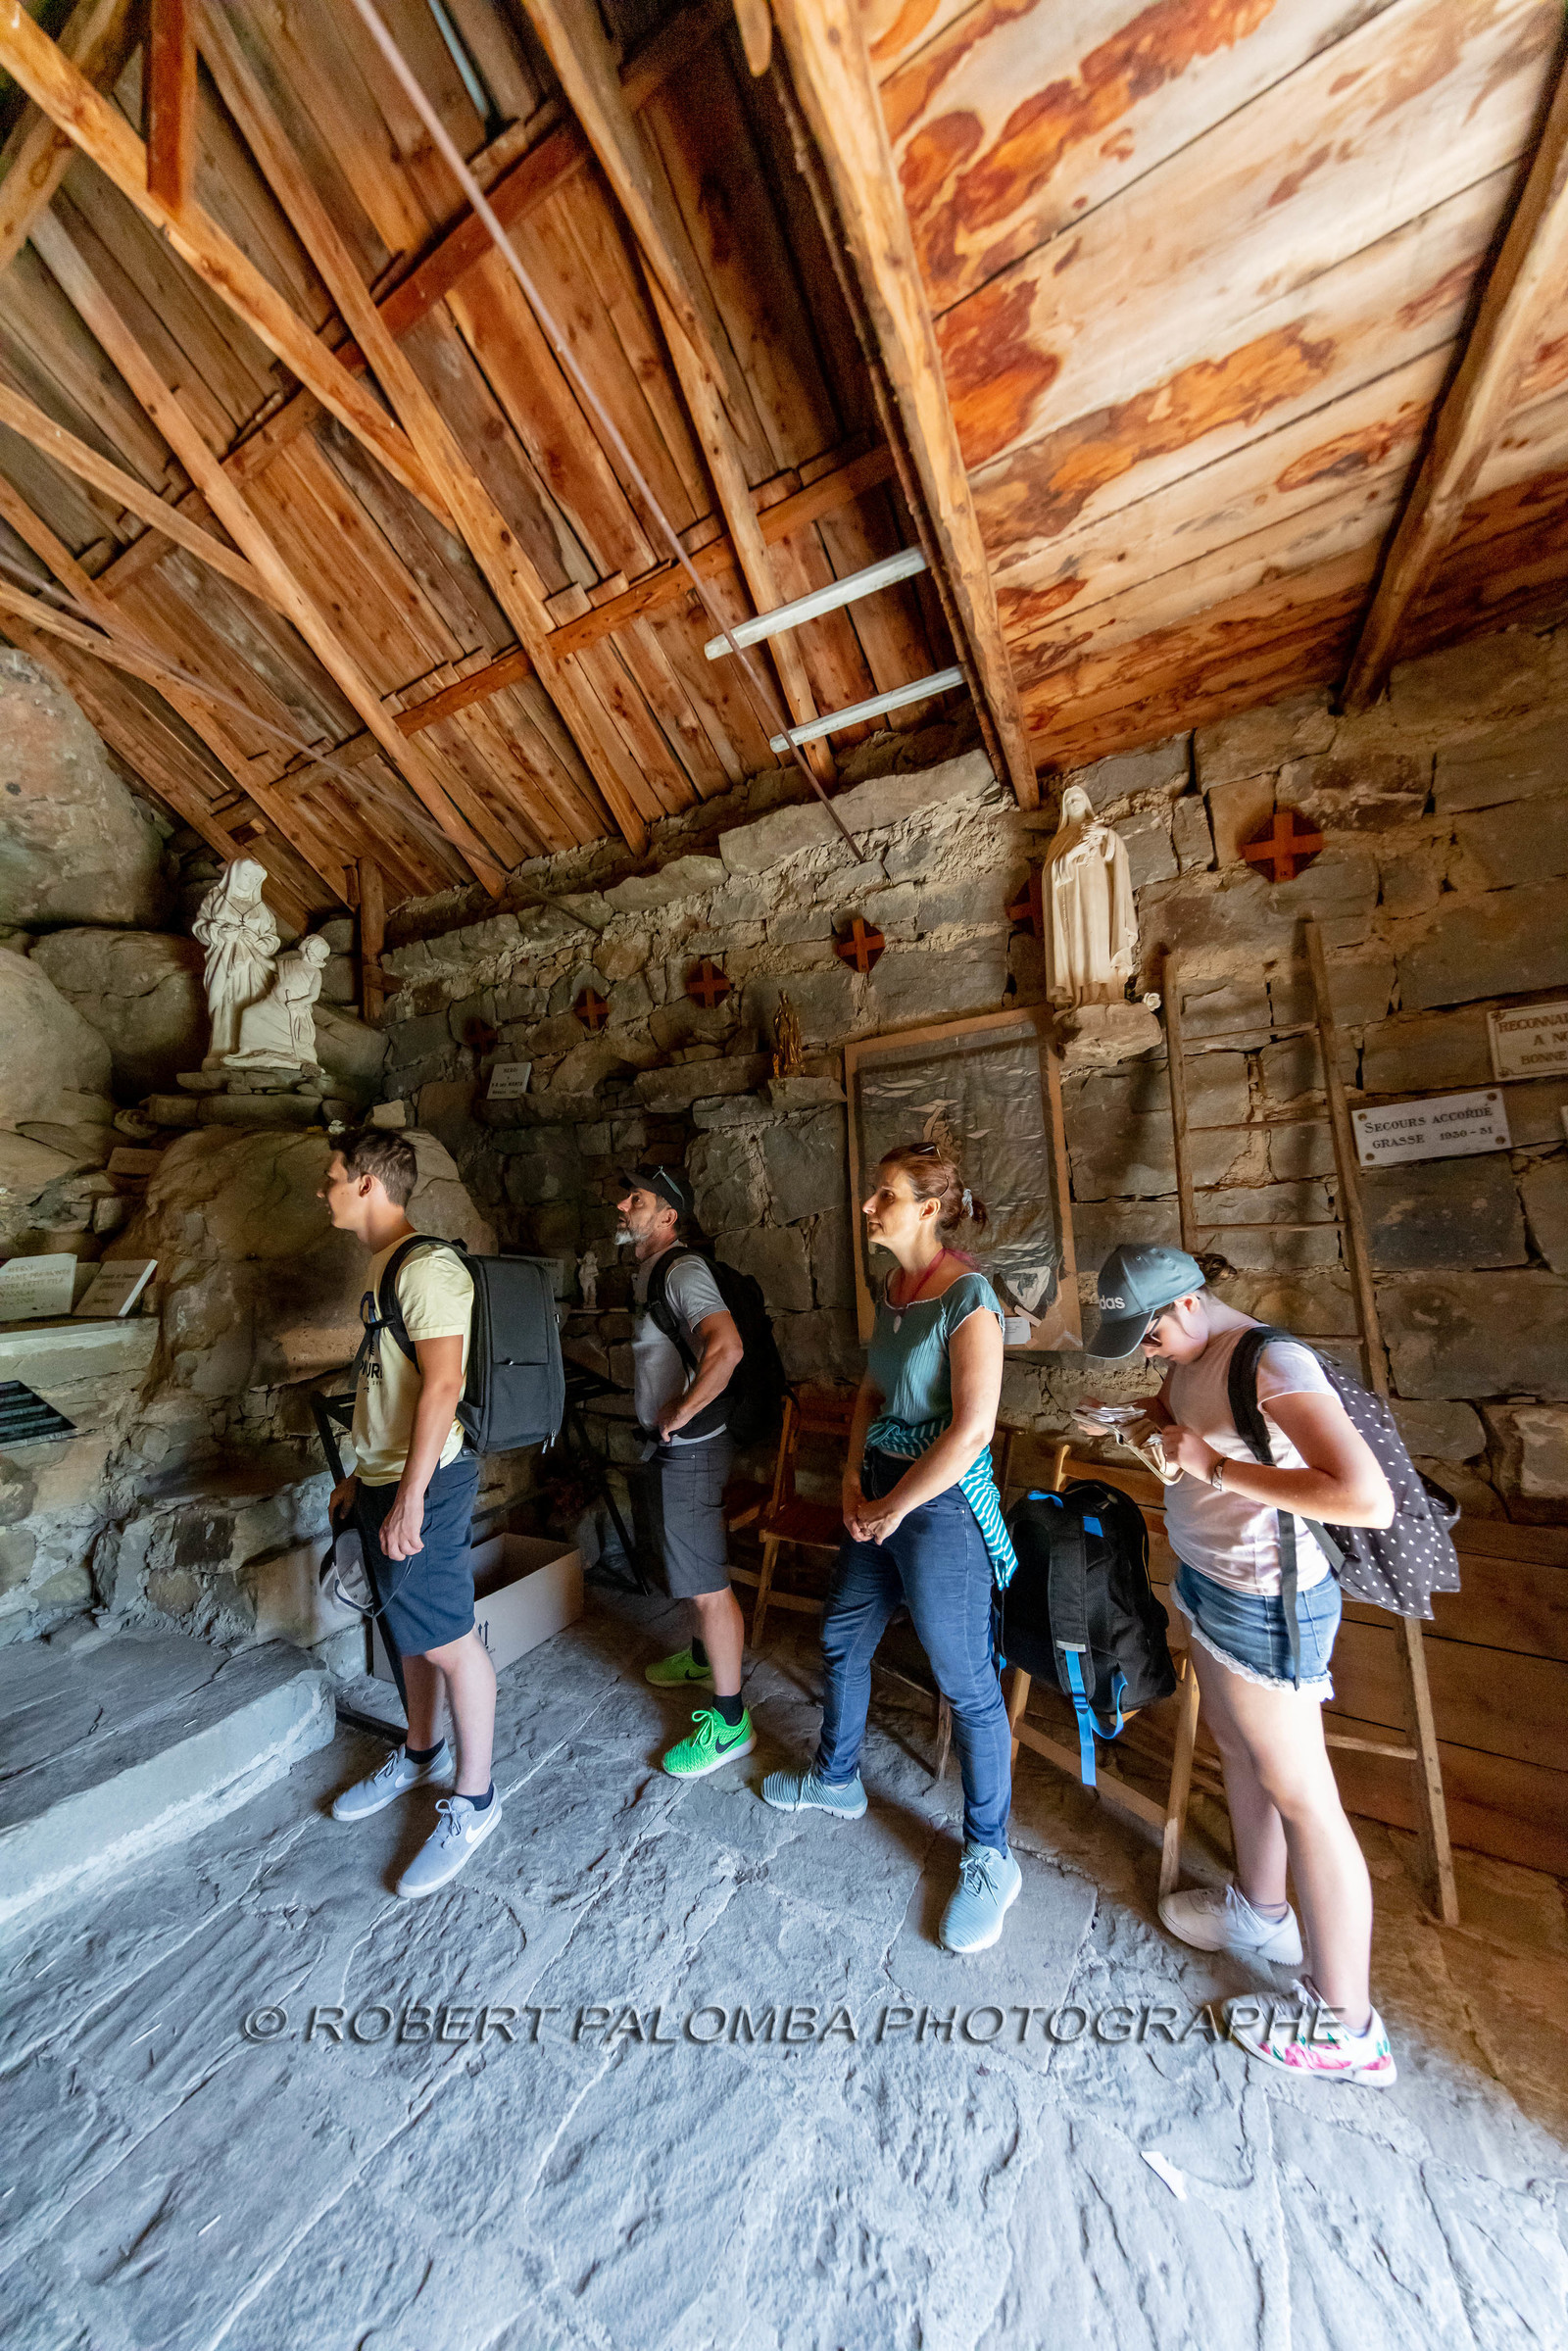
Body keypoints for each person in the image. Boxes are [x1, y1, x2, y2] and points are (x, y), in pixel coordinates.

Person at [1085, 1242, 1397, 2087]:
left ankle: (1347, 2025)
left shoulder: (1273, 1364)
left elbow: (1366, 1497)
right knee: (1236, 1743)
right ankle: (1261, 1912)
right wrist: (1132, 1422)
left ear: (1186, 1304)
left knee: (1306, 1796)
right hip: (1214, 1583)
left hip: (1269, 1600)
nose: (1148, 1354)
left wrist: (1213, 1466)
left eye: (1146, 1337)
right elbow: (1177, 1415)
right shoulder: (1193, 1355)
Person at [762, 1141, 1021, 1955]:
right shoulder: (895, 1287)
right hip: (877, 1487)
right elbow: (874, 1389)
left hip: (938, 1504)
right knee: (843, 1632)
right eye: (875, 1194)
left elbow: (971, 1430)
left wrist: (890, 1507)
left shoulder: (970, 1299)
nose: (869, 1208)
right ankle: (837, 1778)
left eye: (885, 1196)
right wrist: (850, 1480)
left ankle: (991, 1855)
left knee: (965, 1678)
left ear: (930, 1209)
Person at [318, 1130, 502, 1898]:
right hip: (388, 1477)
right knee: (408, 1630)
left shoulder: (427, 1265)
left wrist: (414, 1494)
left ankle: (477, 1800)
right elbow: (382, 1381)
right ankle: (421, 1751)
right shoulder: (384, 1263)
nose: (324, 1189)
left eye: (333, 1177)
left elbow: (441, 1384)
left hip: (430, 1480)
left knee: (451, 1638)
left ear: (367, 1183)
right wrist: (362, 1477)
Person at [618, 1166, 752, 1780]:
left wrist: (682, 1410)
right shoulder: (653, 1271)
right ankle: (702, 1659)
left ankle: (730, 1723)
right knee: (687, 1567)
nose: (624, 1206)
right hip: (676, 1442)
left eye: (638, 1199)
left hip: (693, 1446)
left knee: (705, 1583)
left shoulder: (683, 1270)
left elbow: (726, 1347)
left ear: (668, 1216)